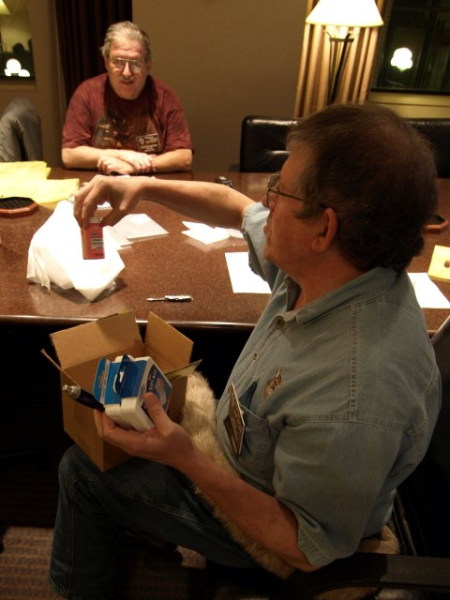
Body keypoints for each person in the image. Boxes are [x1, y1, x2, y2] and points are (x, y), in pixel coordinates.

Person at [49, 104, 441, 599]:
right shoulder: (338, 269)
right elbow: (234, 206)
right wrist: (144, 187)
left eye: (280, 190)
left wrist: (186, 459)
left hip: (266, 533)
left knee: (82, 472)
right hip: (246, 458)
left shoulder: (354, 394)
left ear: (325, 229)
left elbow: (303, 546)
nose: (266, 201)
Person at [61, 21, 193, 175]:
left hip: (149, 186)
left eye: (135, 63)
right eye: (118, 62)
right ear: (106, 63)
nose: (126, 73)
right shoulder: (86, 93)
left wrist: (133, 168)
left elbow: (184, 157)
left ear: (148, 65)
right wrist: (123, 155)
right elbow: (69, 155)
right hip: (100, 184)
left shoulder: (164, 96)